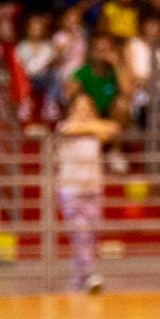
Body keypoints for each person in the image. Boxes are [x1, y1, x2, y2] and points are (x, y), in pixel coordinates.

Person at [56, 93, 119, 294]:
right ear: (71, 111)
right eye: (79, 109)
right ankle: (91, 276)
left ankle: (77, 282)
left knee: (89, 237)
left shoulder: (95, 131)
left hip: (93, 190)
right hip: (72, 191)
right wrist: (94, 127)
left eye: (87, 110)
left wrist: (94, 127)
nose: (83, 114)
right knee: (80, 233)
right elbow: (72, 128)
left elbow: (113, 128)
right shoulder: (64, 128)